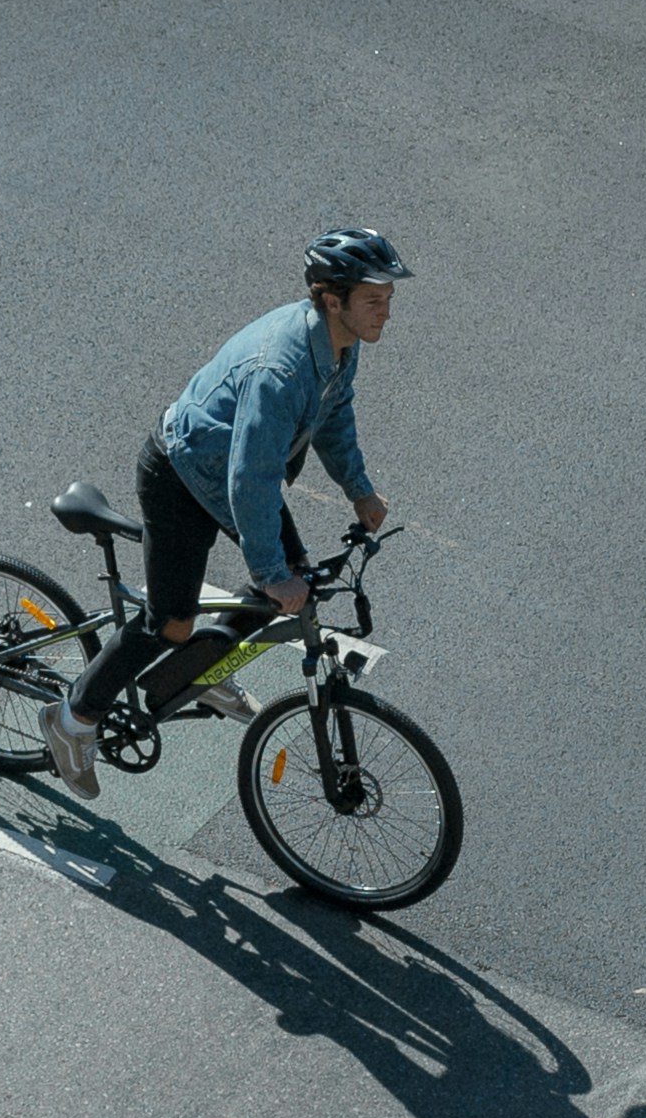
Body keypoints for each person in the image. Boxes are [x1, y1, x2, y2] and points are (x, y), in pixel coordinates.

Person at [45, 228, 408, 794]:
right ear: (331, 298)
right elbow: (250, 480)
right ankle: (73, 717)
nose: (386, 313)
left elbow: (334, 416)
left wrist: (358, 490)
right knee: (171, 620)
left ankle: (195, 669)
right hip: (182, 475)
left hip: (233, 473)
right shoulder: (281, 371)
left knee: (294, 581)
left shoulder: (340, 343)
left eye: (388, 299)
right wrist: (270, 572)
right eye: (375, 300)